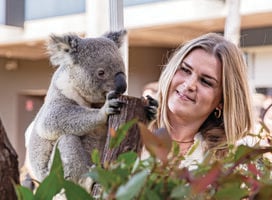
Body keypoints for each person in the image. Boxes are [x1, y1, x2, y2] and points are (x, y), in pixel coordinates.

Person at [149, 33, 254, 168]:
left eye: (205, 81)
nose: (189, 84)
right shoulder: (131, 128)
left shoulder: (228, 163)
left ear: (222, 101)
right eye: (185, 70)